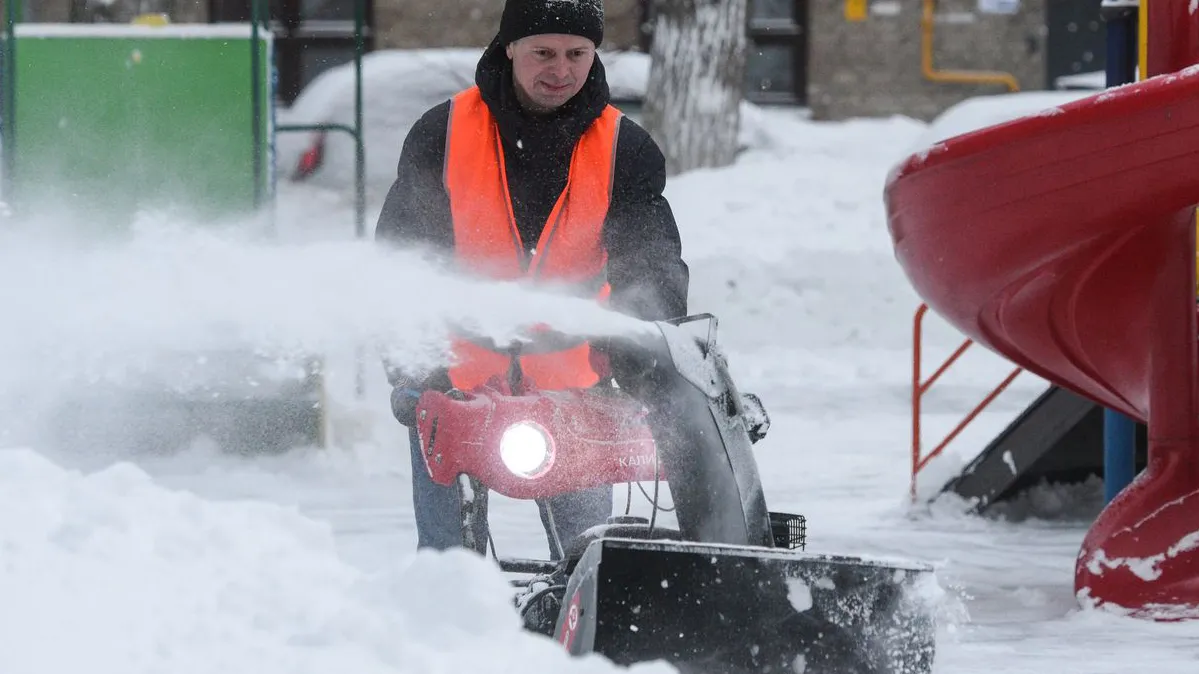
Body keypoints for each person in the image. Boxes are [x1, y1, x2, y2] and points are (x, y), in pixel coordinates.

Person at [374, 0, 689, 556]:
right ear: (510, 47)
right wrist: (417, 372)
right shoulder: (443, 133)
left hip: (572, 392)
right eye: (543, 52)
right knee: (450, 568)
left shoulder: (625, 149)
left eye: (577, 53)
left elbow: (651, 262)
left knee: (591, 563)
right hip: (455, 387)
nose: (561, 70)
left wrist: (646, 354)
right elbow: (402, 261)